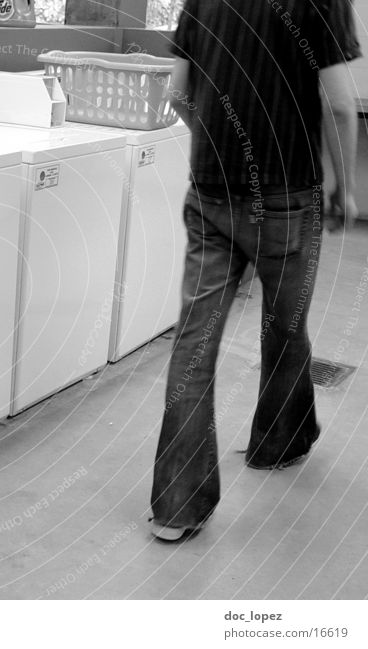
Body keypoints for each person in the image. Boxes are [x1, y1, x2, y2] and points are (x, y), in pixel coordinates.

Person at [150, 0, 361, 542]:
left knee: (195, 344)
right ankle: (278, 444)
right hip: (288, 199)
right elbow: (339, 104)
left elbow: (175, 91)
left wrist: (215, 142)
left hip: (211, 194)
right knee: (284, 325)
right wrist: (343, 184)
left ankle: (177, 506)